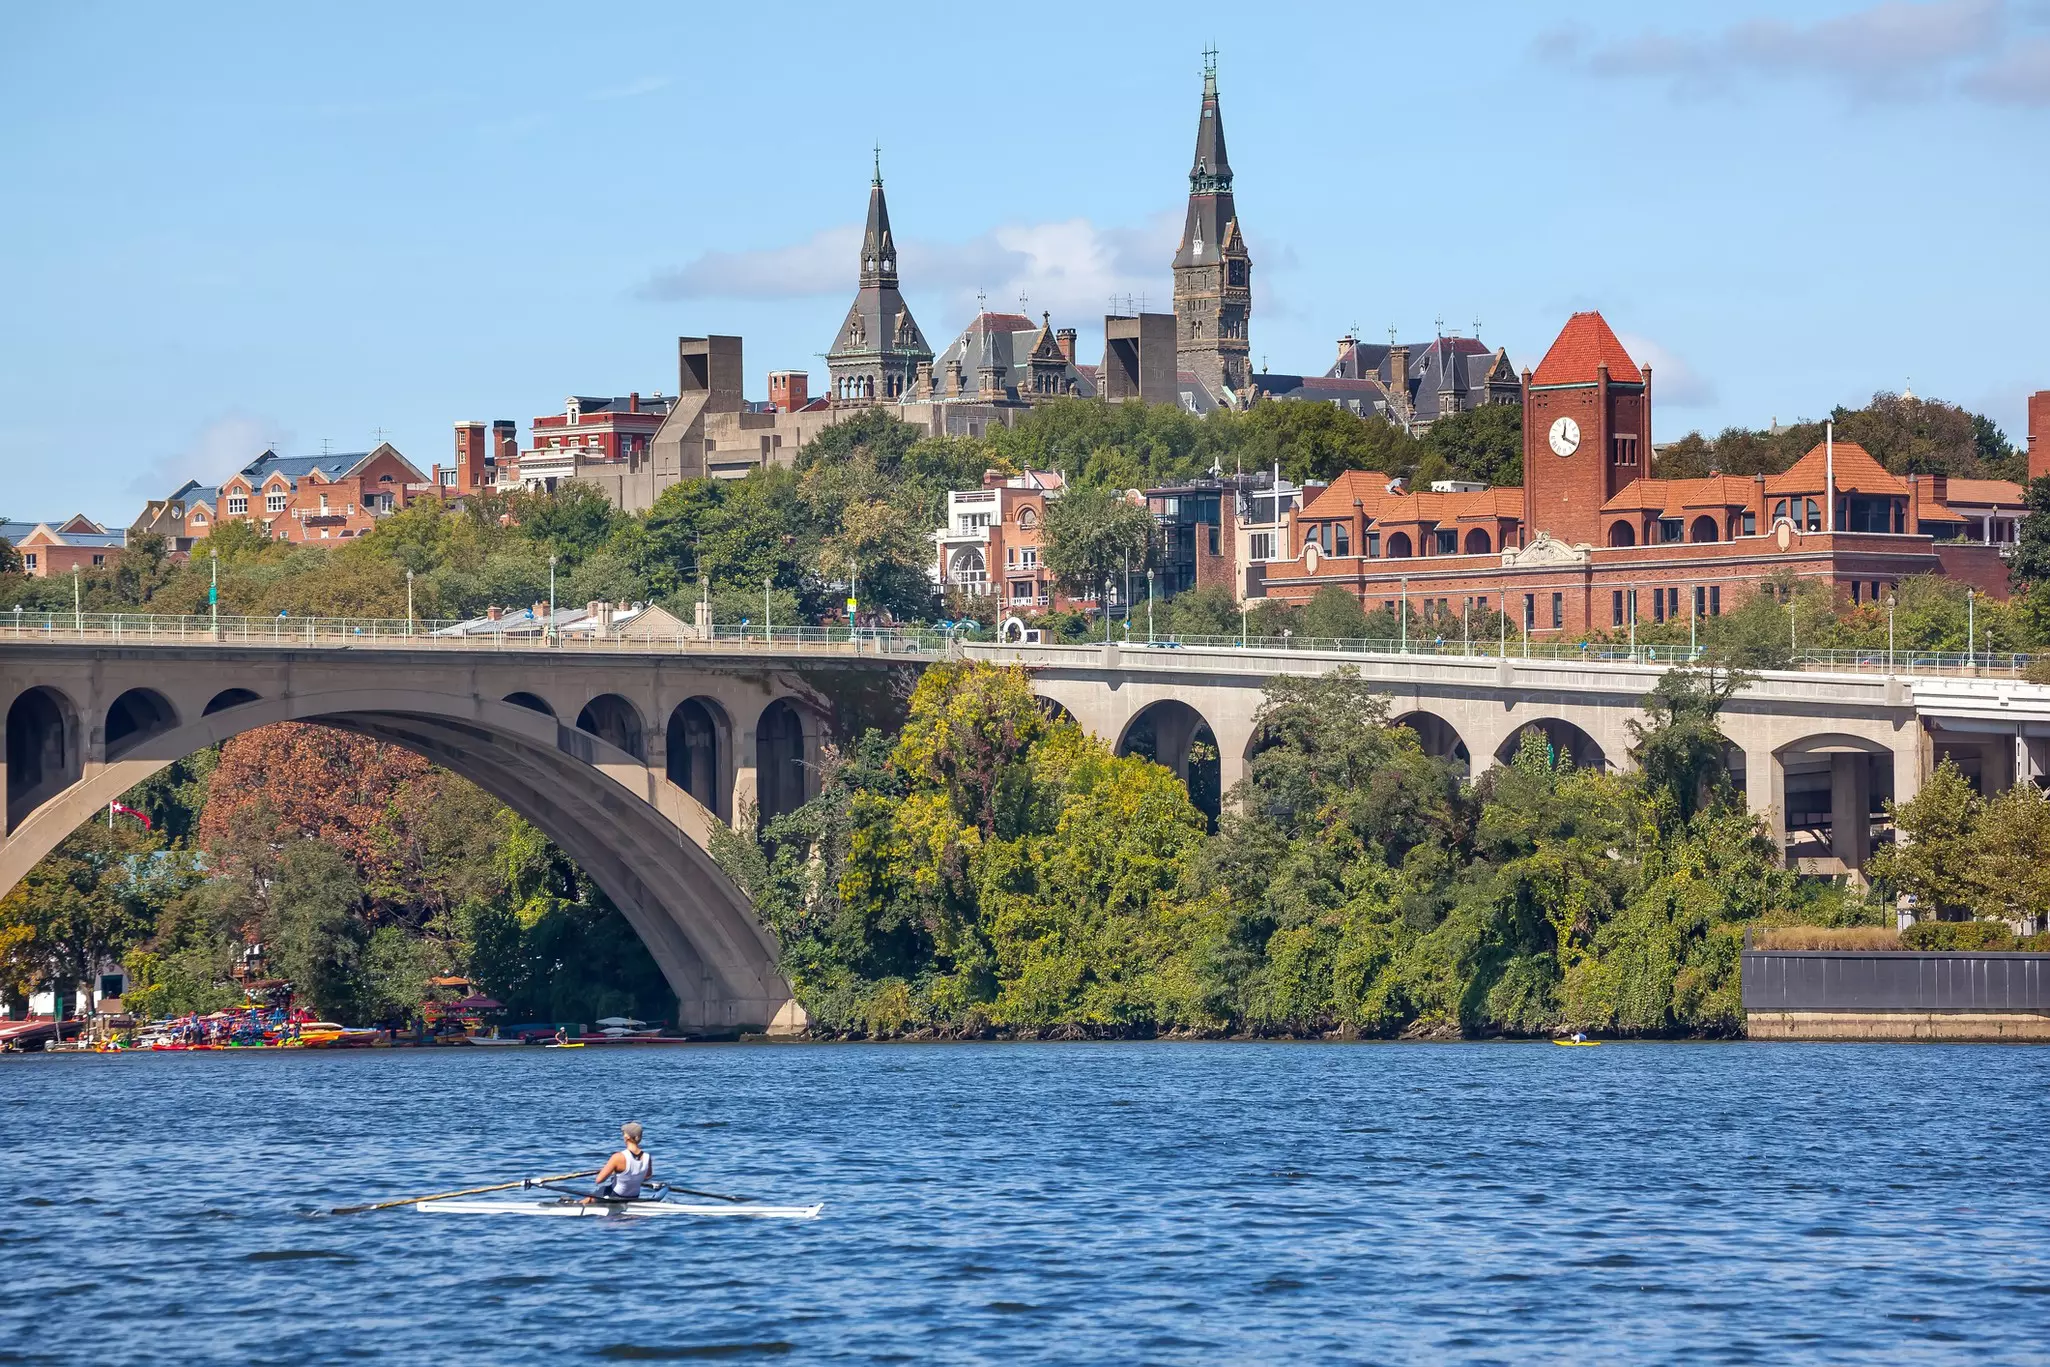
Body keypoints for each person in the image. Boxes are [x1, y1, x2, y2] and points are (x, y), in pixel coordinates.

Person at [588, 1122, 654, 1203]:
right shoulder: (647, 1157)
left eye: (623, 1134)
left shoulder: (618, 1157)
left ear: (627, 1137)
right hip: (634, 1196)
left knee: (590, 1197)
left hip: (616, 1196)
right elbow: (647, 1176)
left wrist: (608, 1170)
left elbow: (598, 1180)